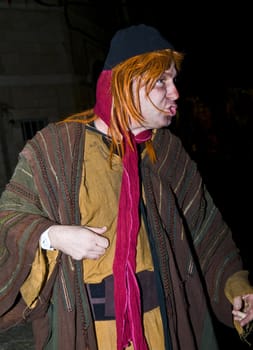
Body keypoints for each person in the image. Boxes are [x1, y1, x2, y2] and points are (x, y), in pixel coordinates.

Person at [0, 24, 252, 350]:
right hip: (88, 332)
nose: (175, 92)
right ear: (126, 83)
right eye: (161, 81)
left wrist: (235, 283)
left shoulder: (168, 154)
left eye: (173, 80)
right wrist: (55, 236)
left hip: (164, 326)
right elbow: (10, 215)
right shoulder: (57, 149)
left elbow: (206, 232)